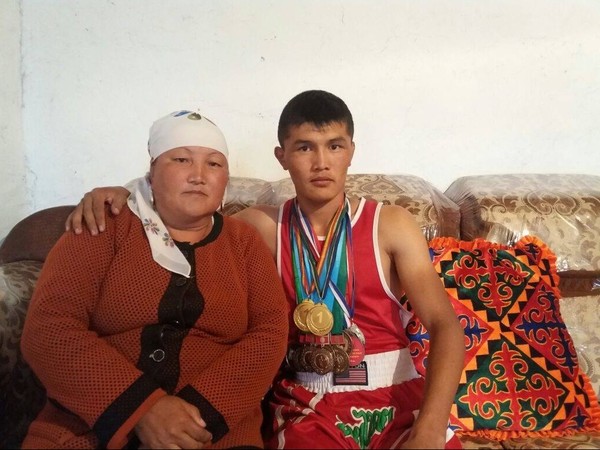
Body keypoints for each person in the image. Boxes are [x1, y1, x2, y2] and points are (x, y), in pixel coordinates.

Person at [66, 90, 466, 449]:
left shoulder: (390, 224)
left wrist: (431, 429)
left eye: (334, 146)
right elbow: (185, 213)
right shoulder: (258, 227)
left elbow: (445, 326)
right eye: (305, 148)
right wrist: (124, 196)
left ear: (351, 151)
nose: (321, 163)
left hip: (396, 398)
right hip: (306, 403)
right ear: (282, 156)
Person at [21, 110, 289, 449]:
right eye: (181, 160)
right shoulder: (103, 224)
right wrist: (141, 411)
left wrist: (189, 422)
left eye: (214, 164)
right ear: (152, 170)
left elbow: (269, 334)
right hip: (85, 430)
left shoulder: (244, 242)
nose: (198, 176)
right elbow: (49, 326)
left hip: (212, 433)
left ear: (225, 180)